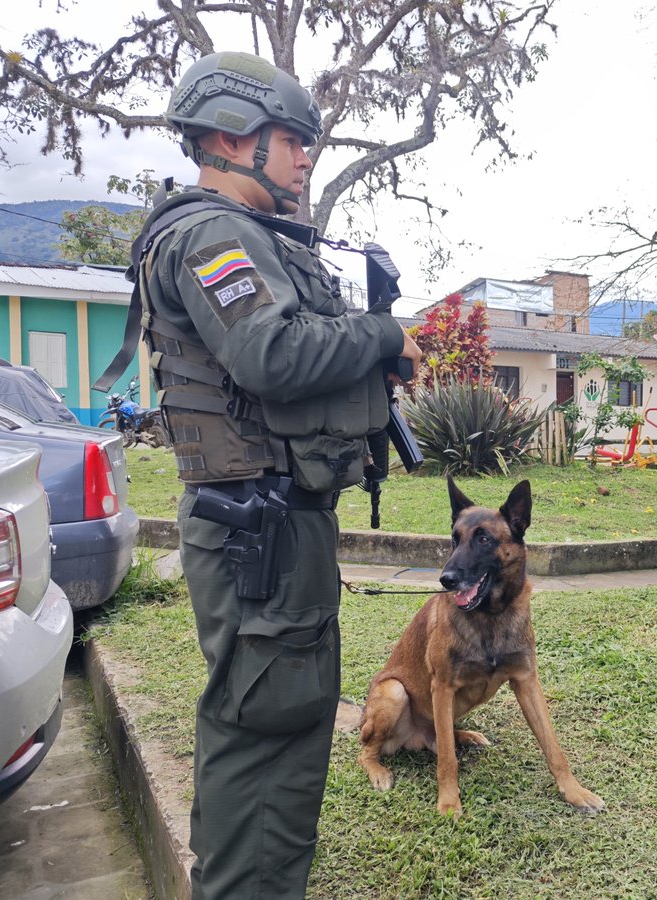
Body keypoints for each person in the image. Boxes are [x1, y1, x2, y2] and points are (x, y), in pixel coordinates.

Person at [134, 51, 421, 898]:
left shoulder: (252, 236)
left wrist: (370, 365)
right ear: (231, 137)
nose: (305, 158)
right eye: (292, 140)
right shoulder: (209, 235)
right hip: (256, 527)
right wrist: (382, 336)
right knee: (265, 727)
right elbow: (271, 352)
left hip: (278, 522)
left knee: (283, 720)